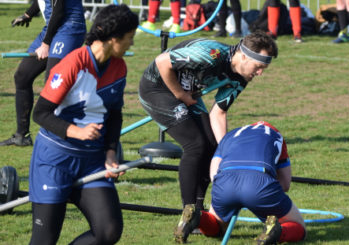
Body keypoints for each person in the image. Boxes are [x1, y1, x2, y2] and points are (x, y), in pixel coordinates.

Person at [137, 31, 278, 243]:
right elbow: (162, 62)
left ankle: (199, 212)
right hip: (159, 88)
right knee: (195, 145)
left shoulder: (240, 77)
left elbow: (218, 113)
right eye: (259, 67)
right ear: (244, 56)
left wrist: (227, 152)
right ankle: (188, 211)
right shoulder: (210, 54)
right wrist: (179, 95)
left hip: (187, 93)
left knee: (212, 146)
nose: (260, 73)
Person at [27, 4, 138, 244]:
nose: (131, 44)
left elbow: (115, 114)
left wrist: (110, 152)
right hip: (55, 160)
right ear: (112, 38)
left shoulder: (119, 66)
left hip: (92, 161)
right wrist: (75, 131)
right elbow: (41, 113)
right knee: (44, 241)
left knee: (108, 231)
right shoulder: (72, 64)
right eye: (129, 38)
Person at [192, 121, 306, 244]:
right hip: (259, 182)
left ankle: (198, 217)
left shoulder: (231, 135)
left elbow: (214, 174)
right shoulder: (276, 135)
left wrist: (234, 194)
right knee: (298, 225)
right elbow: (285, 184)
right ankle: (278, 231)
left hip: (225, 182)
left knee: (217, 224)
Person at [1, 0, 86, 147]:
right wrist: (28, 14)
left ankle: (61, 136)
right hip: (53, 26)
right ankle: (22, 136)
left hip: (69, 27)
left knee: (54, 82)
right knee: (22, 76)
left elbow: (58, 10)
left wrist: (46, 44)